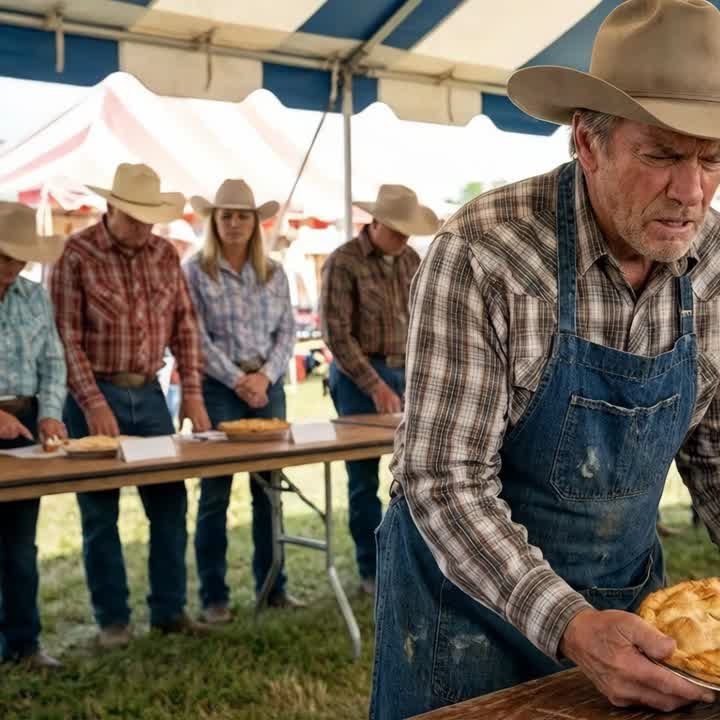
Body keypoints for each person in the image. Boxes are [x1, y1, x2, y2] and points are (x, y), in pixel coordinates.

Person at [370, 1, 720, 715]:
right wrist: (569, 626)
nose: (690, 190)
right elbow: (443, 481)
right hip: (464, 611)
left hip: (625, 605)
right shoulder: (487, 253)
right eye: (662, 155)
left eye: (711, 157)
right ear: (588, 143)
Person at [49, 163, 212, 647]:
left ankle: (169, 610)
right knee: (100, 512)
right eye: (135, 217)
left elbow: (185, 325)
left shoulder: (164, 253)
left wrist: (195, 392)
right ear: (111, 208)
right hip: (93, 392)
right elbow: (65, 335)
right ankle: (112, 621)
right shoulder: (74, 254)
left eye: (150, 218)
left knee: (169, 503)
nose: (144, 228)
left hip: (151, 392)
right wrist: (92, 400)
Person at [185, 180, 305, 623]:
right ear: (213, 222)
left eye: (242, 215)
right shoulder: (195, 270)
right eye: (226, 215)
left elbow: (288, 332)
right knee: (215, 491)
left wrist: (266, 376)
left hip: (267, 384)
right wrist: (239, 380)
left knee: (269, 490)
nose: (234, 223)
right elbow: (194, 336)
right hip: (220, 386)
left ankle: (274, 586)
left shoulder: (275, 272)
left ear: (256, 222)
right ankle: (213, 596)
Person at [320, 184, 438, 594]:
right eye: (398, 229)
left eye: (408, 230)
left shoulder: (411, 259)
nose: (404, 237)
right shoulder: (343, 261)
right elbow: (336, 332)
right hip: (358, 377)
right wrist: (374, 384)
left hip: (406, 371)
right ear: (377, 223)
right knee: (362, 478)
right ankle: (371, 569)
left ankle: (406, 562)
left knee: (414, 474)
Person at [0, 202, 68, 669]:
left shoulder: (35, 296)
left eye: (17, 260)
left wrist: (50, 413)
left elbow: (53, 361)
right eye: (3, 258)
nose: (10, 269)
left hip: (25, 429)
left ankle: (25, 645)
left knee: (20, 546)